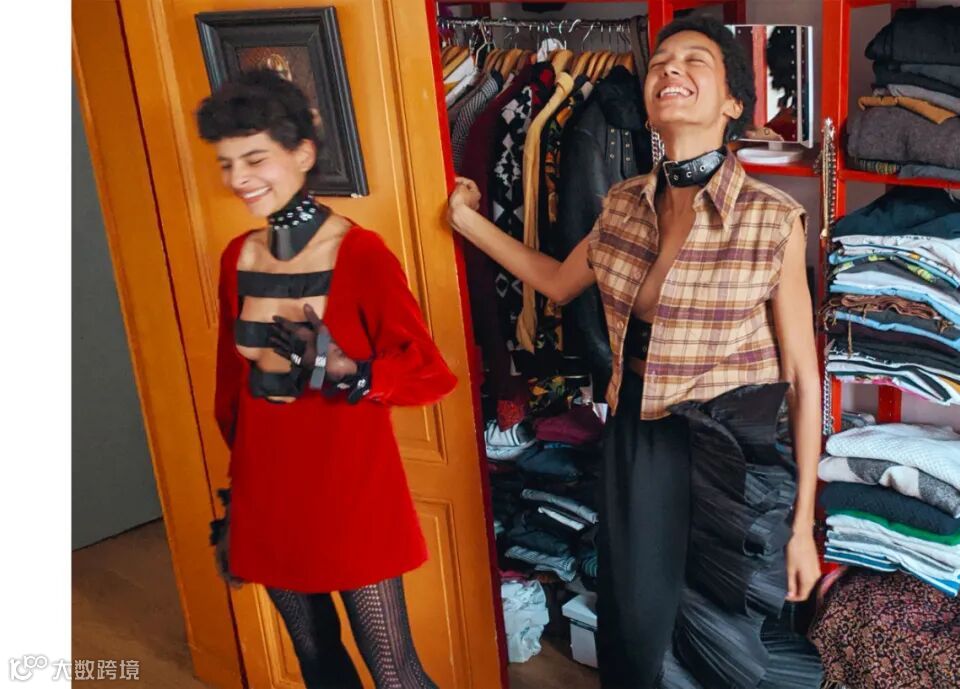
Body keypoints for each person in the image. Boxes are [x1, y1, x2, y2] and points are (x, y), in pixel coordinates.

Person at [448, 15, 822, 689]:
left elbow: (801, 376)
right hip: (634, 436)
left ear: (733, 102)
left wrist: (802, 527)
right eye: (659, 61)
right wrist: (467, 221)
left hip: (728, 458)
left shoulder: (772, 219)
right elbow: (557, 281)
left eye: (695, 59)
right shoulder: (622, 203)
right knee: (635, 628)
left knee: (727, 640)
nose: (669, 68)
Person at [197, 68, 456, 689]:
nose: (238, 179)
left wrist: (353, 371)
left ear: (303, 154)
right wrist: (238, 500)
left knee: (395, 674)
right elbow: (231, 392)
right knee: (317, 664)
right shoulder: (237, 257)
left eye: (254, 158)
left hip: (349, 491)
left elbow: (429, 373)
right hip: (267, 492)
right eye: (227, 163)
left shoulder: (360, 254)